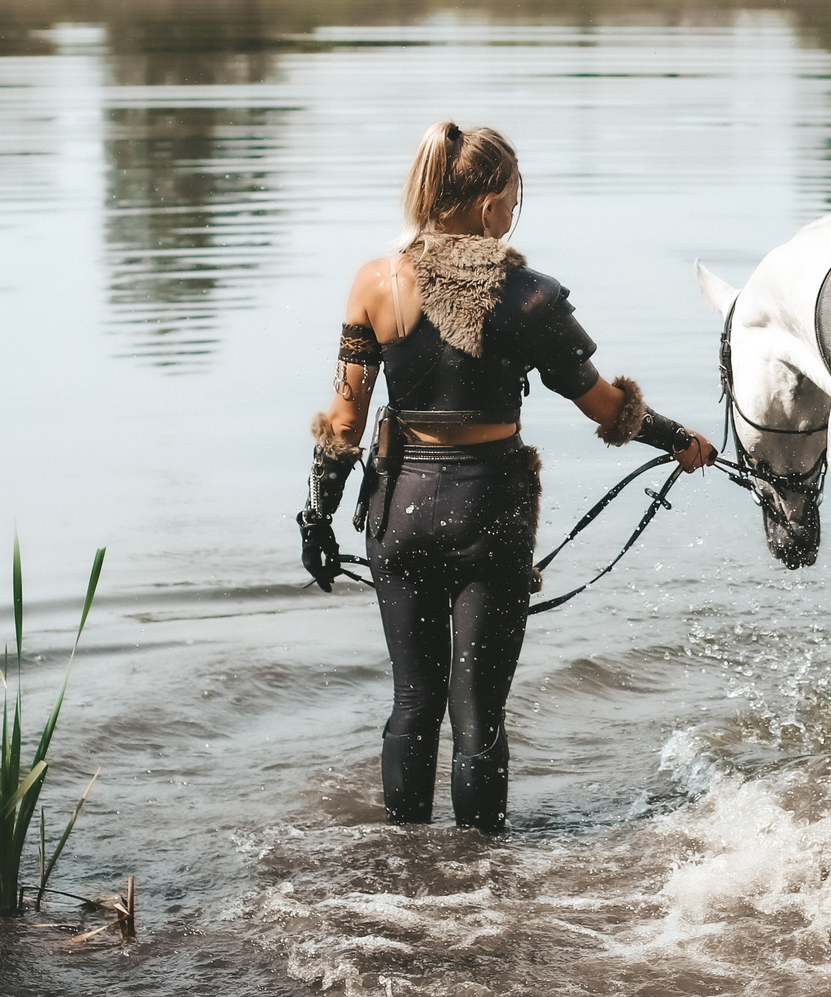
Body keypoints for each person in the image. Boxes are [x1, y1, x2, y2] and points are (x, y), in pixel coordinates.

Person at [298, 121, 716, 833]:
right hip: (488, 512)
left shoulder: (375, 282)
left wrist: (317, 515)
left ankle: (402, 868)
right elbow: (606, 406)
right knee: (476, 713)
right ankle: (479, 886)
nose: (512, 213)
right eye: (513, 198)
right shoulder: (528, 297)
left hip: (396, 510)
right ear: (491, 203)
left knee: (411, 702)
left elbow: (343, 422)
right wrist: (679, 440)